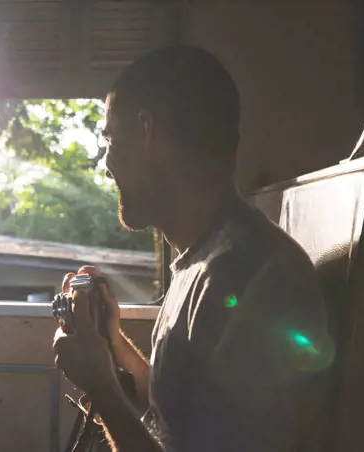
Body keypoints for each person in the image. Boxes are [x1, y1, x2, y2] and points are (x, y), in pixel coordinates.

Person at [53, 45, 334, 452]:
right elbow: (185, 408)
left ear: (147, 131)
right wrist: (113, 346)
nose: (106, 163)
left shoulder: (254, 279)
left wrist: (100, 386)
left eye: (111, 138)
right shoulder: (203, 259)